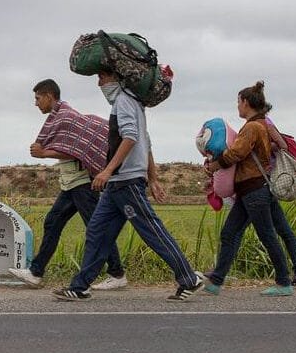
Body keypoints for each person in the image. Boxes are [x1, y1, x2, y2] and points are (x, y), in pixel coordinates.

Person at [55, 69, 203, 302]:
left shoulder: (123, 101)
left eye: (102, 78)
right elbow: (147, 140)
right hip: (117, 184)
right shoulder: (131, 102)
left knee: (151, 230)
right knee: (97, 231)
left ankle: (188, 278)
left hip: (126, 182)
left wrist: (108, 170)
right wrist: (152, 177)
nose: (99, 84)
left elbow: (132, 137)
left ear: (116, 78)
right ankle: (80, 286)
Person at [8, 79, 126, 290]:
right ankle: (36, 272)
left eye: (37, 98)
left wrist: (44, 153)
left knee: (95, 227)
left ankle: (117, 273)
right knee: (53, 222)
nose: (36, 103)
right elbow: (69, 146)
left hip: (82, 183)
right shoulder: (58, 118)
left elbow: (75, 150)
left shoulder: (66, 117)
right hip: (71, 183)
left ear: (49, 96)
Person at [204, 81, 294, 296]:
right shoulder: (261, 124)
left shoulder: (252, 127)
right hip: (254, 190)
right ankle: (216, 280)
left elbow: (236, 153)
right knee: (230, 233)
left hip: (254, 191)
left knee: (266, 235)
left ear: (246, 102)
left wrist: (215, 165)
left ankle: (284, 282)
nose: (237, 107)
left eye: (238, 102)